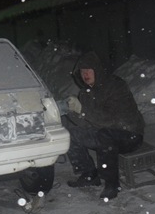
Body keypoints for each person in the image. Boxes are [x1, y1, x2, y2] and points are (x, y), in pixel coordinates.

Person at [62, 51, 145, 200]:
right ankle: (89, 174)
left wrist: (82, 109)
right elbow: (85, 121)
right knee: (70, 132)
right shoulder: (85, 93)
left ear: (97, 70)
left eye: (89, 70)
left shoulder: (116, 86)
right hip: (104, 133)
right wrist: (68, 112)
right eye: (82, 71)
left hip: (129, 135)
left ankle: (112, 184)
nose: (85, 74)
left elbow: (111, 119)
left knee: (105, 135)